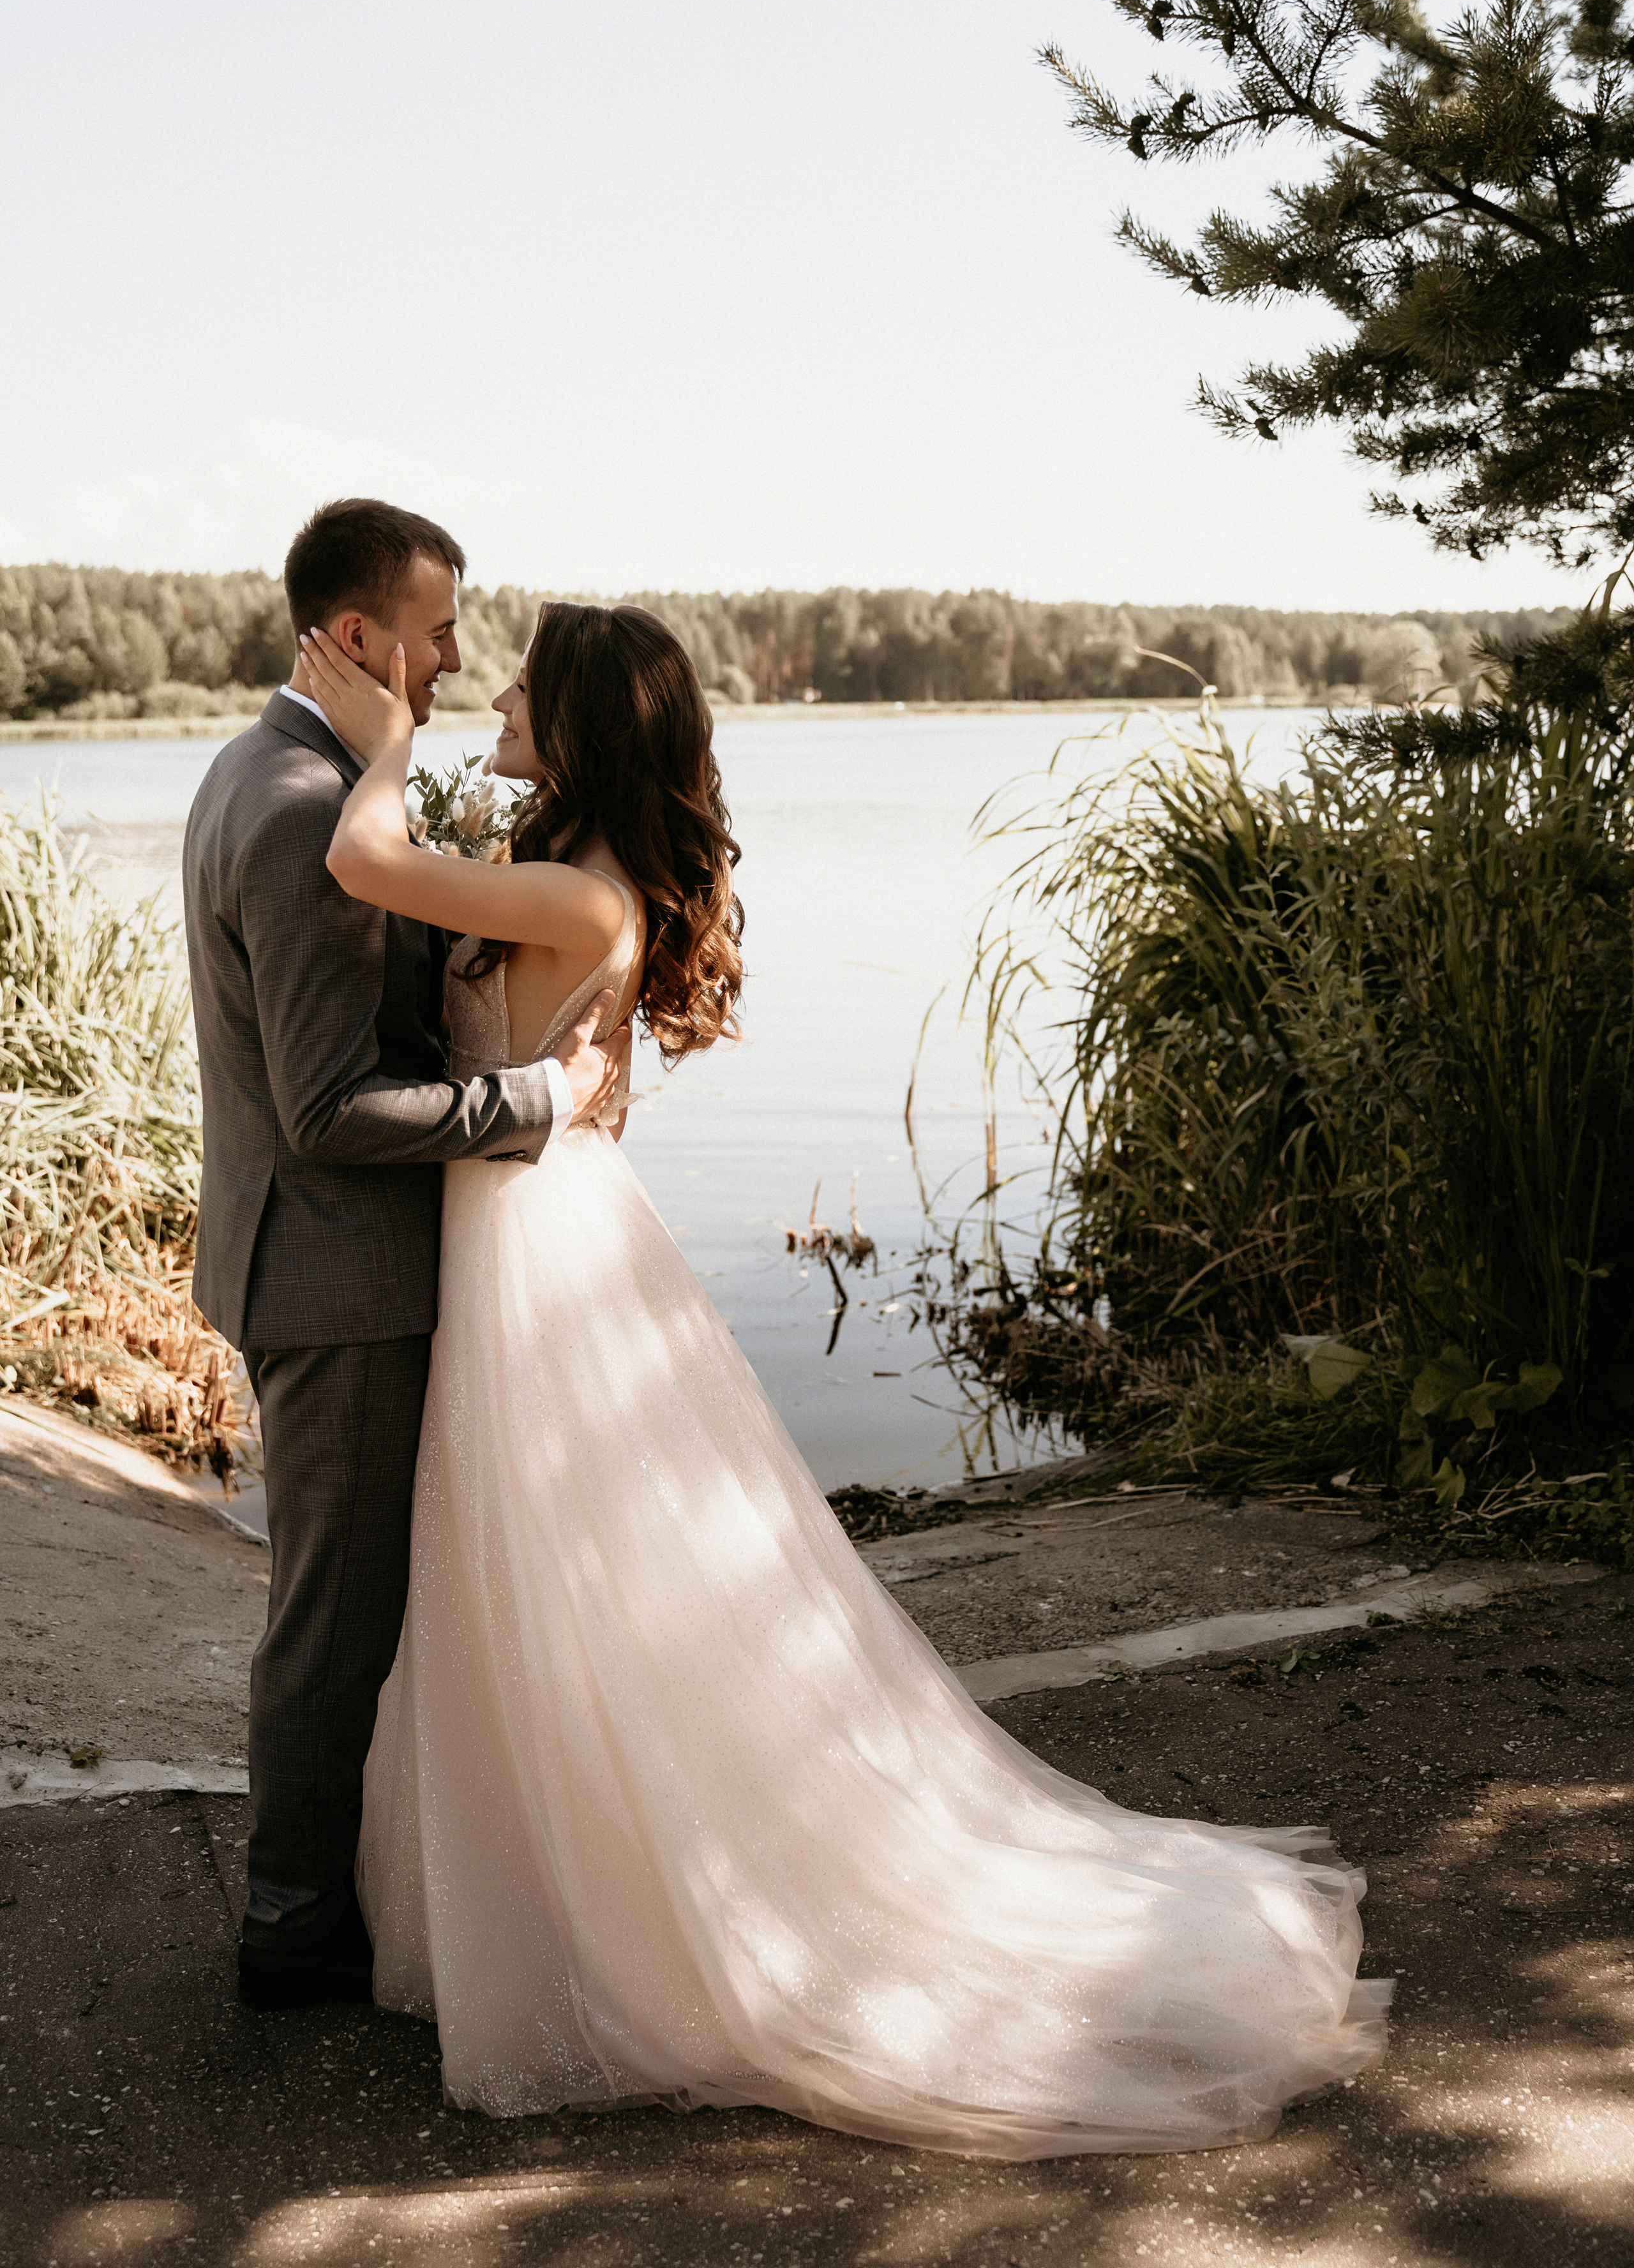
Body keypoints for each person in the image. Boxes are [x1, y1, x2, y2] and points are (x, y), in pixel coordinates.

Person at [302, 600, 1391, 2159]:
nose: (497, 702)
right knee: (541, 1573)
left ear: (586, 725)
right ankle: (547, 1897)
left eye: (524, 691)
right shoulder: (569, 868)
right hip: (527, 1223)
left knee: (564, 1567)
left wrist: (382, 743)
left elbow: (363, 862)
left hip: (533, 1241)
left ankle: (620, 1920)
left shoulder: (576, 889)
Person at [182, 498, 629, 2013]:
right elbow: (328, 1108)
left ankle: (354, 1891)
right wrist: (538, 1101)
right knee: (334, 1616)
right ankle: (292, 1928)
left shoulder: (257, 765)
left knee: (350, 1598)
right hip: (341, 1279)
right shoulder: (306, 812)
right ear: (360, 636)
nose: (453, 659)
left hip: (303, 1262)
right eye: (435, 632)